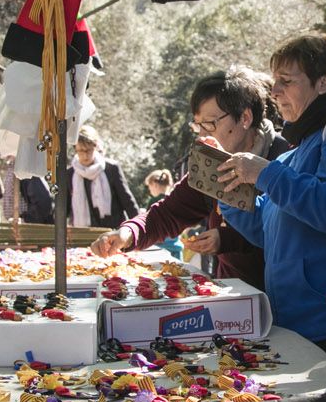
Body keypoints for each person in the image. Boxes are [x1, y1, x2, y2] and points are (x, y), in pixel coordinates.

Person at [215, 34, 326, 377]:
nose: (275, 91)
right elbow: (267, 232)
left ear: (324, 83)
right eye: (275, 81)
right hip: (297, 323)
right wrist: (226, 190)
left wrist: (265, 174)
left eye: (287, 81)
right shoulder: (295, 152)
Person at [92, 68, 290, 287]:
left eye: (210, 123)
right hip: (234, 292)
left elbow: (288, 231)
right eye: (198, 125)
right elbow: (168, 213)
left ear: (245, 117)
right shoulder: (212, 162)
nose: (202, 134)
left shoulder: (286, 157)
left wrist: (227, 239)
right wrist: (127, 233)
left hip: (279, 295)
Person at [68, 124, 138, 228]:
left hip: (112, 230)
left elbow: (127, 202)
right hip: (83, 232)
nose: (85, 155)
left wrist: (138, 228)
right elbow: (63, 207)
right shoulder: (70, 174)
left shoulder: (111, 168)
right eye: (81, 150)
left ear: (95, 147)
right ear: (75, 149)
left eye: (89, 150)